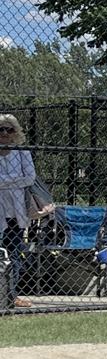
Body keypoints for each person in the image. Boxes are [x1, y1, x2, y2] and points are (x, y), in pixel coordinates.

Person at [0, 114, 35, 308]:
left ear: (16, 132)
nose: (5, 133)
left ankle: (10, 295)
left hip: (15, 211)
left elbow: (30, 178)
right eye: (1, 129)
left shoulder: (22, 152)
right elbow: (22, 178)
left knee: (13, 253)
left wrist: (3, 182)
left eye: (9, 129)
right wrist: (16, 179)